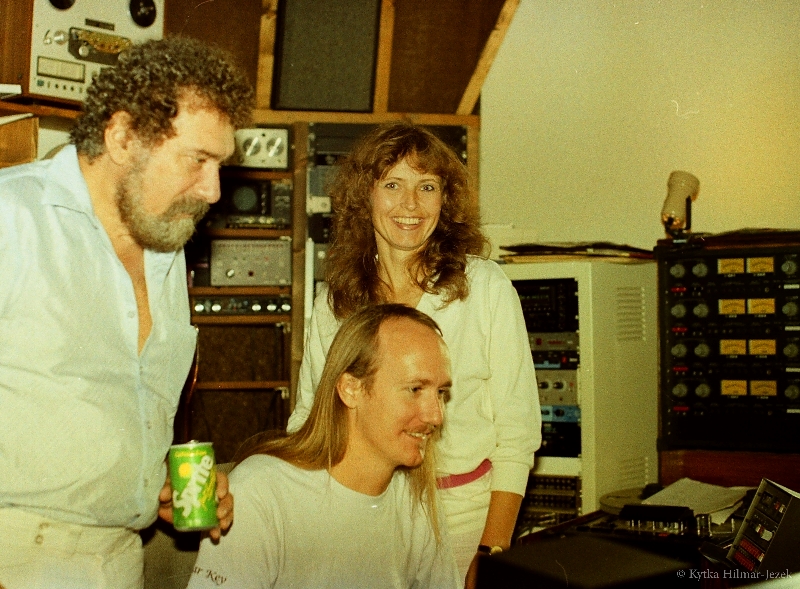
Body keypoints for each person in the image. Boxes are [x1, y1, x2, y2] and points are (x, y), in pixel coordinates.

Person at [0, 36, 253, 588]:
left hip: (119, 559)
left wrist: (155, 479)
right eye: (197, 160)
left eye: (221, 166)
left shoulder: (166, 246)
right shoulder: (10, 218)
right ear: (121, 137)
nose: (213, 191)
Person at [287, 122, 542, 587]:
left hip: (465, 521)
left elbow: (518, 434)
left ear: (445, 201)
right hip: (363, 522)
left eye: (427, 186)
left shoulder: (485, 288)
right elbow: (309, 420)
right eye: (393, 185)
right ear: (364, 197)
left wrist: (492, 548)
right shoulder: (335, 302)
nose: (410, 205)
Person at [187, 304, 461, 589]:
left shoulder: (415, 496)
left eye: (441, 393)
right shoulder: (260, 493)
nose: (436, 416)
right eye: (415, 389)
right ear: (351, 389)